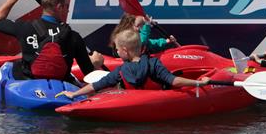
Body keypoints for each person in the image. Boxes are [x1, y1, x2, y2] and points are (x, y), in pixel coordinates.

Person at [0, 0, 103, 81]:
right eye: (67, 6)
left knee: (16, 66)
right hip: (62, 86)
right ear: (59, 7)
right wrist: (96, 64)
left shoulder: (25, 27)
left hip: (28, 83)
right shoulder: (74, 36)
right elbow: (89, 74)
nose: (68, 10)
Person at [61, 29, 209, 99]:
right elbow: (174, 81)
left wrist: (74, 93)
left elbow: (98, 84)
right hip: (157, 101)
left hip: (131, 102)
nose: (117, 52)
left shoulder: (120, 71)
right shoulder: (153, 64)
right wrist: (198, 83)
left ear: (125, 50)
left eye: (117, 50)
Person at [109, 13, 179, 54]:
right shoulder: (122, 36)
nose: (139, 28)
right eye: (139, 25)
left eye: (142, 25)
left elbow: (149, 43)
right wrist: (147, 25)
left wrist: (166, 41)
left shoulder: (138, 34)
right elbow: (141, 42)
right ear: (128, 25)